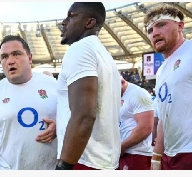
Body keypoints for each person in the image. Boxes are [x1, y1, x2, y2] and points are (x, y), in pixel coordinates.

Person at [0, 35, 58, 170]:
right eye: (4, 57)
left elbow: (76, 119)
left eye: (16, 54)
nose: (10, 61)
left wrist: (59, 127)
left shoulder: (54, 86)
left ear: (30, 58)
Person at [56, 2, 121, 170]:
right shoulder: (103, 54)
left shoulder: (80, 49)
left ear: (90, 23)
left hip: (83, 160)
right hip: (105, 160)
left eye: (72, 16)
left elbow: (84, 116)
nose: (64, 22)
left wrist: (64, 166)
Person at [144, 4, 192, 170]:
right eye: (150, 30)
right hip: (170, 156)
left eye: (161, 25)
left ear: (180, 26)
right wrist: (156, 156)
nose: (155, 33)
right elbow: (163, 118)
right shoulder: (161, 71)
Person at [119, 76, 154, 170]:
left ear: (122, 82)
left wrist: (123, 146)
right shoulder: (116, 95)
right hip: (121, 153)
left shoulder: (138, 94)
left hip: (136, 154)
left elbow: (146, 127)